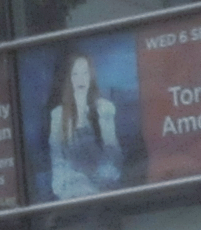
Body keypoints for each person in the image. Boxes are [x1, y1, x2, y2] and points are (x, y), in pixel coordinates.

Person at [41, 44, 133, 199]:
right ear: (69, 79)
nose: (80, 79)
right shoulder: (57, 116)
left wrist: (102, 178)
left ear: (91, 75)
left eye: (85, 73)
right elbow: (57, 159)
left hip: (103, 183)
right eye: (75, 74)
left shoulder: (105, 108)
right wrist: (67, 187)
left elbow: (114, 153)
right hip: (72, 187)